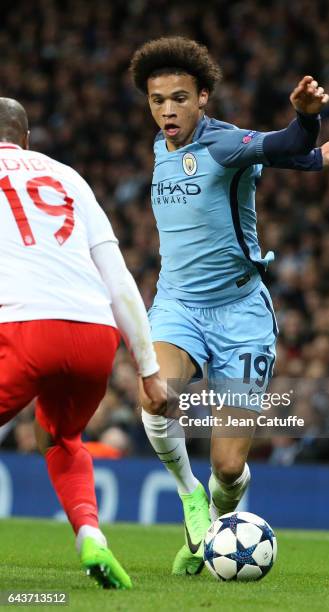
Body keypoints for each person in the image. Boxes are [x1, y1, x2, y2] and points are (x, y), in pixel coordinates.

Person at [129, 36, 329, 576]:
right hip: (178, 305)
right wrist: (314, 158)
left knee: (228, 464)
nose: (167, 110)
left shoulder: (222, 144)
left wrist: (306, 123)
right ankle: (189, 497)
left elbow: (281, 144)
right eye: (156, 100)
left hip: (241, 316)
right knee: (154, 397)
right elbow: (292, 157)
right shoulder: (158, 148)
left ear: (203, 98)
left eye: (178, 98)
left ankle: (213, 532)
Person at [0, 97, 166, 589]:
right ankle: (91, 535)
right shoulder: (69, 178)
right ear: (27, 139)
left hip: (24, 326)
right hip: (94, 334)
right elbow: (117, 278)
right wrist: (149, 368)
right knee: (62, 436)